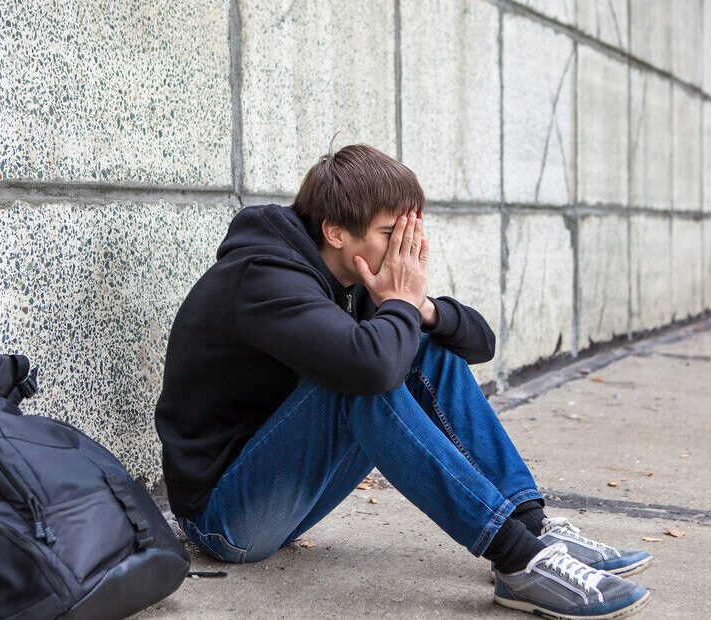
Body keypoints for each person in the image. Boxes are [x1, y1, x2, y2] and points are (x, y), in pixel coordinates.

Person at [154, 143, 653, 618]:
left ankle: (533, 528)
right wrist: (398, 305)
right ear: (335, 232)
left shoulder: (351, 277)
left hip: (282, 500)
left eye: (410, 230)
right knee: (364, 378)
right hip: (225, 520)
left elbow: (480, 343)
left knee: (417, 345)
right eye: (391, 232)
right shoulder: (265, 278)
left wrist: (420, 306)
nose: (405, 248)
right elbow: (369, 370)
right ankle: (517, 560)